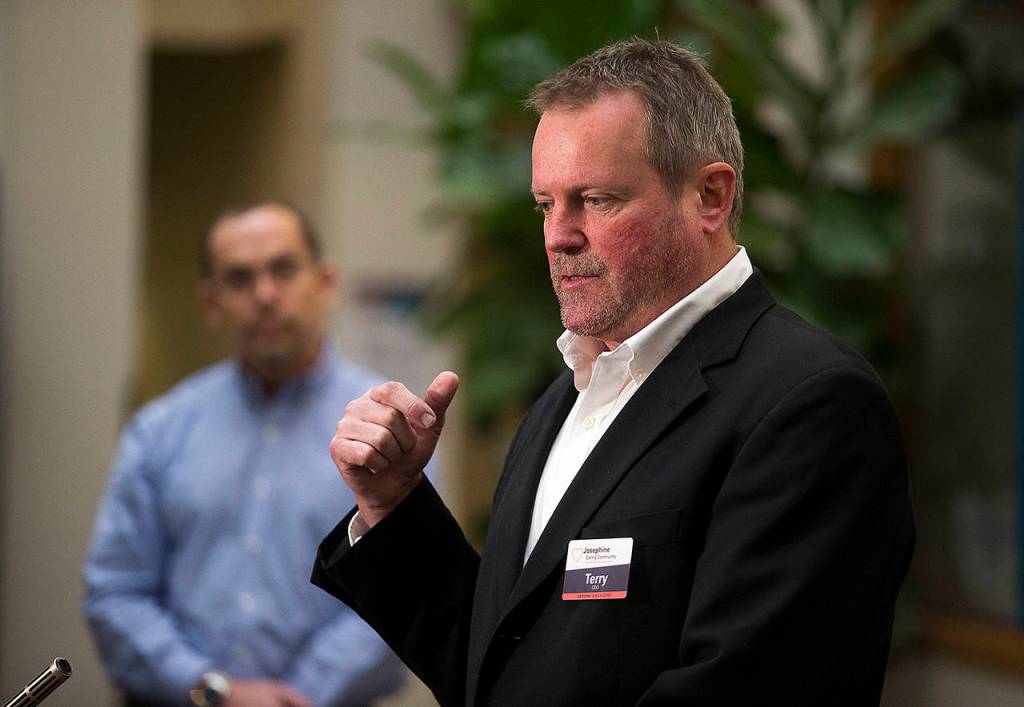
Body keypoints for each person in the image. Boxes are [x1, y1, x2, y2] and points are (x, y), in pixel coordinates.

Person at [311, 39, 915, 707]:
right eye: (546, 203)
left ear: (710, 197)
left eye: (595, 199)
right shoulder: (564, 398)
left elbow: (747, 688)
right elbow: (499, 669)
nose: (558, 235)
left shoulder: (811, 403)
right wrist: (392, 506)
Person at [84, 201, 410, 707]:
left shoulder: (386, 426)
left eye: (283, 269)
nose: (265, 294)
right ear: (211, 303)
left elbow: (403, 590)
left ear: (325, 283)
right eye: (240, 279)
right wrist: (214, 690)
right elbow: (116, 591)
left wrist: (299, 697)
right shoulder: (161, 431)